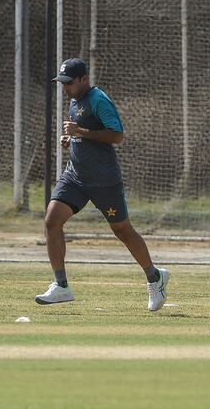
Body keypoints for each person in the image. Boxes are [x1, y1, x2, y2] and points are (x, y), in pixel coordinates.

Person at [35, 58, 169, 311]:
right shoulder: (75, 99)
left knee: (122, 230)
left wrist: (81, 133)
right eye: (62, 83)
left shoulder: (99, 99)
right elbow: (82, 132)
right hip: (75, 177)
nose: (65, 88)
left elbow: (117, 135)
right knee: (52, 220)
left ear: (84, 79)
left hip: (104, 180)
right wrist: (71, 138)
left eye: (69, 83)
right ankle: (61, 286)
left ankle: (155, 277)